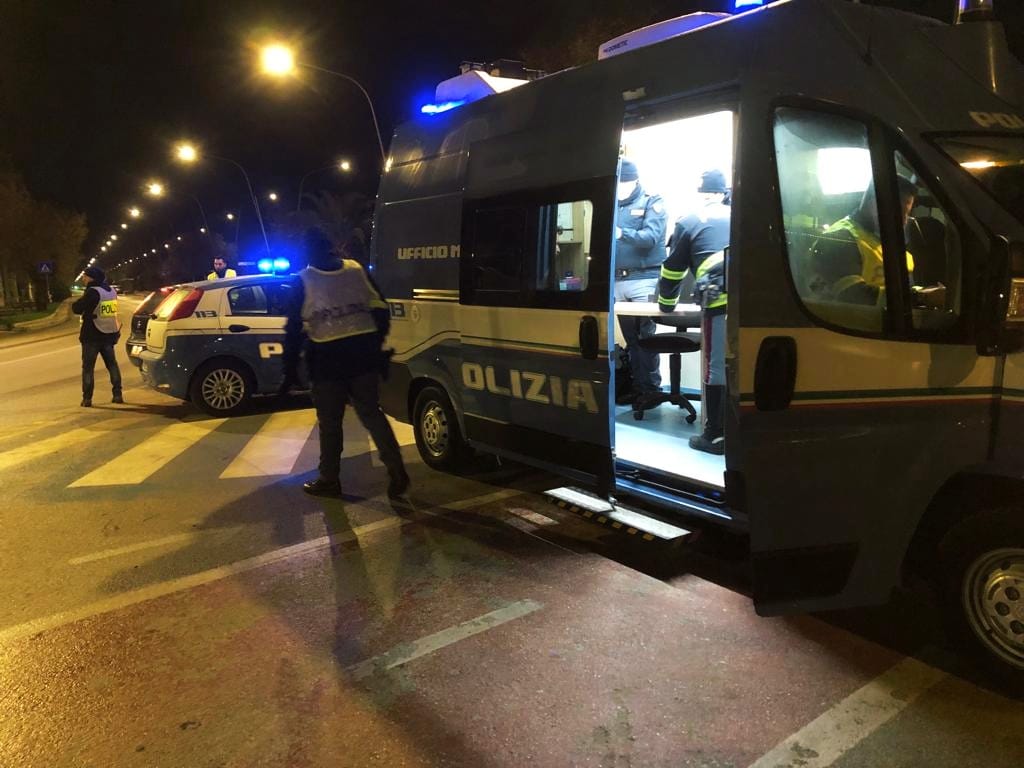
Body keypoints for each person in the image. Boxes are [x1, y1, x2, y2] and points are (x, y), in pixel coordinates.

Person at [280, 228, 410, 499]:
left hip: (327, 361)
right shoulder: (356, 270)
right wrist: (376, 344)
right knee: (372, 414)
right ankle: (397, 469)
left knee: (330, 423)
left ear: (306, 252)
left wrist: (289, 371)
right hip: (363, 357)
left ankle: (329, 479)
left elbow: (292, 330)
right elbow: (380, 308)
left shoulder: (303, 280)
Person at [658, 169, 731, 455]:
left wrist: (666, 304)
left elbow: (672, 271)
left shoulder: (689, 221)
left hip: (719, 302)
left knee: (716, 367)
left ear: (700, 195)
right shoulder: (739, 215)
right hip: (754, 300)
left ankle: (715, 436)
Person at [809, 176, 943, 308]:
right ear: (874, 203)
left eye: (907, 214)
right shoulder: (838, 239)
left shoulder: (886, 241)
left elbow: (902, 289)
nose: (904, 221)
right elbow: (852, 296)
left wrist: (926, 292)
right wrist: (920, 297)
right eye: (900, 212)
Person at [614, 158, 668, 407]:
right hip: (618, 279)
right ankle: (638, 388)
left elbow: (651, 237)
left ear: (634, 181)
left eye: (625, 183)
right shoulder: (614, 205)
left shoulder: (651, 201)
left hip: (644, 278)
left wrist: (622, 233)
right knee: (631, 339)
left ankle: (651, 389)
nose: (621, 188)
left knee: (646, 337)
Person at [72, 266, 123, 407]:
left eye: (85, 276)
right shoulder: (111, 291)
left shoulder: (93, 292)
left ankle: (87, 399)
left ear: (91, 278)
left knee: (88, 368)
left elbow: (77, 308)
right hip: (109, 334)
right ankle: (117, 394)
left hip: (92, 335)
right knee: (112, 365)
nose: (83, 278)